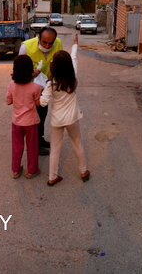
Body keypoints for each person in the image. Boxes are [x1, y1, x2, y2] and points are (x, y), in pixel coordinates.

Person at [40, 34, 90, 186]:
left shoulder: (51, 84)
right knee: (77, 144)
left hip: (57, 121)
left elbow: (43, 103)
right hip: (73, 119)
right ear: (68, 66)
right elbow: (74, 57)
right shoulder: (73, 78)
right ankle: (83, 171)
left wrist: (38, 97)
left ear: (53, 66)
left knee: (55, 149)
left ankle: (52, 177)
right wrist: (75, 44)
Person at [19, 27, 63, 156]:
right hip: (29, 90)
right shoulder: (26, 47)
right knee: (33, 118)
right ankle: (34, 145)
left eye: (50, 43)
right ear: (38, 39)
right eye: (44, 42)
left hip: (45, 89)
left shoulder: (58, 43)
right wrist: (30, 73)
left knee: (42, 115)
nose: (47, 45)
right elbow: (18, 70)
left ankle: (40, 139)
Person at [6, 55, 42, 179]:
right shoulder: (36, 87)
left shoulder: (11, 84)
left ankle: (15, 170)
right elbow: (38, 103)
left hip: (16, 122)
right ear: (30, 70)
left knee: (17, 146)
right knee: (32, 147)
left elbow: (8, 101)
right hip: (31, 122)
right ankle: (32, 170)